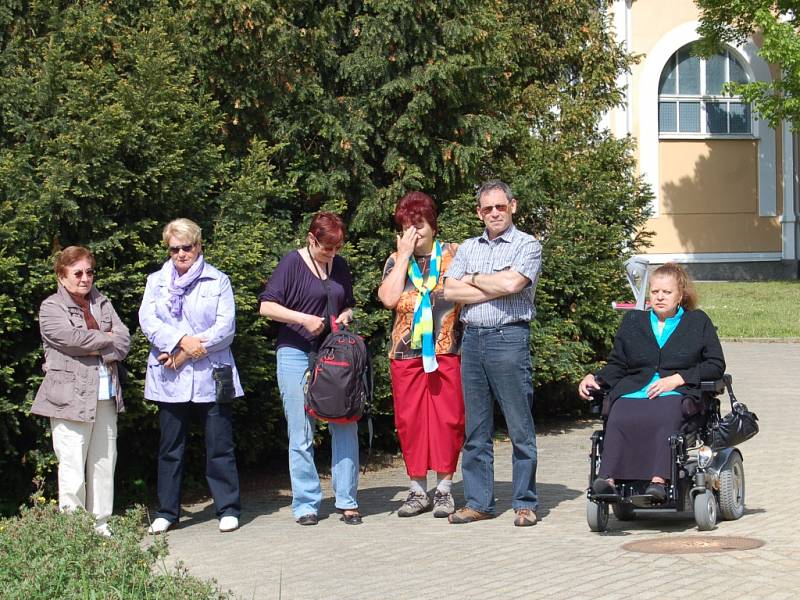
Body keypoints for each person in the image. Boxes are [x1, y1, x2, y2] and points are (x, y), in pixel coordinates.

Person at [578, 263, 725, 500]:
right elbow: (618, 364)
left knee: (664, 415)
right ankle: (607, 479)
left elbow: (715, 364)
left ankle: (659, 480)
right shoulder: (633, 321)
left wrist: (678, 379)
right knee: (619, 413)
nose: (659, 297)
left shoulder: (697, 322)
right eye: (655, 292)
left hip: (676, 392)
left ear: (680, 295)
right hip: (635, 390)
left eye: (666, 292)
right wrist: (595, 377)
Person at [442, 180, 542, 527]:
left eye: (500, 206)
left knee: (519, 426)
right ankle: (479, 502)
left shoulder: (527, 244)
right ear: (479, 212)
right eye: (488, 208)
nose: (494, 213)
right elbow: (451, 289)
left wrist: (474, 281)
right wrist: (491, 283)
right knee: (476, 429)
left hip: (509, 339)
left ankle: (525, 503)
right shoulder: (469, 247)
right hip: (472, 341)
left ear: (512, 206)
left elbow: (514, 285)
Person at [139, 218, 243, 534]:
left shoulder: (218, 280)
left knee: (219, 444)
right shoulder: (156, 281)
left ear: (198, 246)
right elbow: (148, 320)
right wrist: (180, 341)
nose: (182, 254)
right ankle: (168, 511)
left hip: (211, 373)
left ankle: (227, 507)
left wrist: (186, 352)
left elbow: (225, 328)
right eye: (175, 249)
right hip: (170, 378)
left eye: (187, 247)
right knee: (170, 447)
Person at [258, 212, 362, 526]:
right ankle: (305, 503)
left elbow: (349, 302)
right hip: (295, 352)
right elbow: (266, 306)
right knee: (301, 428)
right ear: (311, 238)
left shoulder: (340, 265)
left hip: (334, 355)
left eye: (337, 247)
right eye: (326, 247)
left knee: (345, 421)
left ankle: (347, 500)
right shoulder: (292, 263)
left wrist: (346, 314)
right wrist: (302, 319)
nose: (331, 253)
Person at [31, 246, 131, 537]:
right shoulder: (51, 307)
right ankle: (75, 533)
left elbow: (124, 340)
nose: (85, 278)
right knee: (72, 468)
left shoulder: (102, 302)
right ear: (62, 276)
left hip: (106, 395)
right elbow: (69, 338)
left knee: (103, 463)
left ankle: (101, 527)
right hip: (69, 399)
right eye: (78, 273)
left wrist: (104, 340)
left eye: (89, 271)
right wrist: (106, 338)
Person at [377, 192, 465, 518]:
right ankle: (417, 489)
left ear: (432, 224)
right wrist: (402, 258)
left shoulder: (454, 255)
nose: (415, 232)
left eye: (420, 224)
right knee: (410, 422)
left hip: (447, 350)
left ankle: (444, 489)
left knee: (448, 420)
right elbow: (387, 298)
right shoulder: (395, 260)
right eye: (406, 226)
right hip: (405, 353)